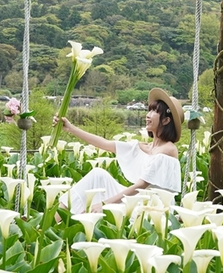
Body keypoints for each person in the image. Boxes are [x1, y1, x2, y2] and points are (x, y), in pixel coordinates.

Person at [54, 88, 184, 214]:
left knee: (105, 201)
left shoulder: (169, 149)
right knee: (98, 175)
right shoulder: (143, 147)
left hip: (153, 209)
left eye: (155, 111)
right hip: (138, 200)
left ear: (166, 120)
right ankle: (56, 220)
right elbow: (104, 143)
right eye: (149, 110)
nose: (148, 115)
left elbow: (141, 185)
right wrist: (70, 128)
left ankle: (66, 220)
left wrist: (104, 204)